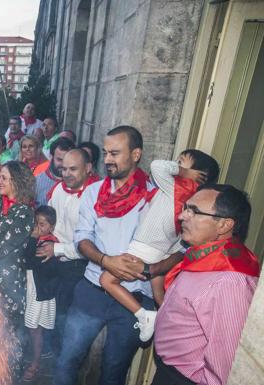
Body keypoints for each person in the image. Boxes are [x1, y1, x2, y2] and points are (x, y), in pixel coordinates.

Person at [53, 126, 156, 385]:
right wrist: (105, 261)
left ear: (136, 154)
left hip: (134, 297)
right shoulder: (93, 192)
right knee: (68, 358)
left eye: (115, 153)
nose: (108, 159)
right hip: (92, 288)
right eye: (107, 153)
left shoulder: (153, 196)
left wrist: (145, 268)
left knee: (113, 371)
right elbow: (82, 238)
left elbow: (171, 247)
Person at [99, 149, 219, 341]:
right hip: (161, 251)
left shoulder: (174, 188)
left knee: (106, 280)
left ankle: (143, 315)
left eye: (180, 162)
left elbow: (157, 166)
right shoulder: (189, 200)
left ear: (196, 175)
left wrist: (184, 172)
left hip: (146, 246)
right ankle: (170, 324)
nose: (175, 165)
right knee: (158, 295)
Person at [153, 185, 259, 385]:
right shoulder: (203, 257)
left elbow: (226, 360)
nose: (182, 216)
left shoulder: (230, 280)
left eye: (194, 211)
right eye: (186, 208)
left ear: (224, 225)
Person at [40, 149, 98, 356]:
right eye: (63, 169)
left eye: (73, 169)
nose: (67, 174)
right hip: (54, 259)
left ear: (88, 168)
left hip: (79, 266)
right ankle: (50, 351)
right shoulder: (57, 190)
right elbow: (51, 224)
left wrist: (57, 249)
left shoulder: (95, 196)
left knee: (68, 316)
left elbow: (93, 243)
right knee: (51, 308)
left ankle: (65, 358)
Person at [0, 161, 35, 376]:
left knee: (11, 338)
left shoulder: (25, 214)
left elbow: (2, 250)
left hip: (10, 285)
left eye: (3, 178)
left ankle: (10, 376)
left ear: (17, 182)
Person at [22, 206, 59, 381]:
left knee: (35, 330)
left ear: (51, 227)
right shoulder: (41, 239)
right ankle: (37, 356)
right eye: (35, 223)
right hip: (35, 290)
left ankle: (35, 363)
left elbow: (28, 262)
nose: (37, 228)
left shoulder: (47, 244)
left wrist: (32, 239)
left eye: (42, 224)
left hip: (39, 294)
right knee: (34, 330)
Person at [35, 138, 75, 206]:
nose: (63, 164)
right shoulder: (36, 182)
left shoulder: (79, 182)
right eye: (59, 160)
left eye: (67, 160)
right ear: (51, 157)